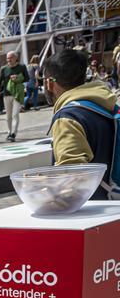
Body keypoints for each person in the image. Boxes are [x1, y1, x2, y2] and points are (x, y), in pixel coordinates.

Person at [46, 48, 117, 200]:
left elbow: (71, 176)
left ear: (49, 83)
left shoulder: (68, 118)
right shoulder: (107, 105)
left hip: (94, 210)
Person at [0, 51, 28, 142]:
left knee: (15, 114)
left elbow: (27, 78)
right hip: (6, 94)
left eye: (10, 58)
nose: (8, 60)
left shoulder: (22, 67)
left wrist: (17, 77)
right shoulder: (4, 68)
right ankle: (9, 132)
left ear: (15, 58)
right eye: (7, 58)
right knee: (8, 116)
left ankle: (13, 133)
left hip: (17, 94)